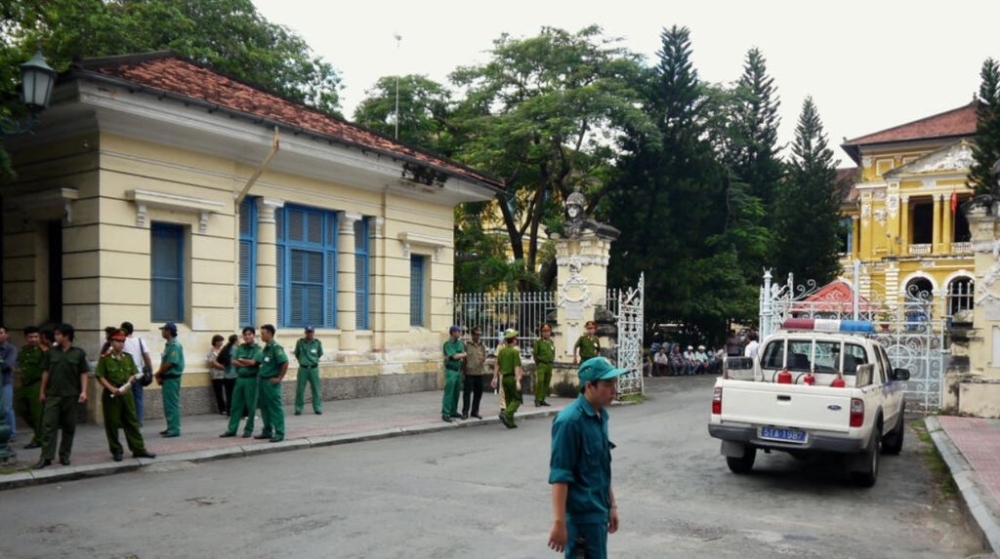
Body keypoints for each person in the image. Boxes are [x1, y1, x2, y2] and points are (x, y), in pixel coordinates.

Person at [547, 357, 625, 558]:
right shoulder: (570, 422)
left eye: (614, 384)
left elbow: (600, 467)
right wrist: (559, 523)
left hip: (598, 515)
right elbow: (560, 475)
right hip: (581, 521)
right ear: (589, 386)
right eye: (607, 385)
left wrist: (611, 505)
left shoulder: (600, 416)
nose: (613, 391)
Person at [34, 323, 89, 469]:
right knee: (48, 426)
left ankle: (64, 456)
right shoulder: (51, 353)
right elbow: (45, 372)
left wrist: (84, 391)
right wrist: (42, 391)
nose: (56, 336)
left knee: (69, 427)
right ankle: (46, 457)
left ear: (67, 336)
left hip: (71, 396)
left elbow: (83, 373)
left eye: (58, 334)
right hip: (53, 395)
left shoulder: (78, 353)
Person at [95, 330, 156, 462]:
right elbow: (100, 376)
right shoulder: (105, 358)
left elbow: (133, 374)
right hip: (111, 394)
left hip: (127, 393)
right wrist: (112, 388)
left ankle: (138, 449)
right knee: (112, 424)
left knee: (132, 422)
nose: (120, 344)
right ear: (111, 342)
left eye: (123, 341)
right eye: (118, 341)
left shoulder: (128, 357)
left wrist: (128, 384)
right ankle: (116, 450)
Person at [220, 327, 262, 438]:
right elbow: (233, 361)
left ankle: (248, 429)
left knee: (250, 406)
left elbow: (254, 362)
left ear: (253, 335)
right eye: (245, 334)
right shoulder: (240, 348)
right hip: (240, 379)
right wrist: (246, 363)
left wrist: (242, 361)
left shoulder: (258, 349)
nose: (247, 336)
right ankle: (232, 429)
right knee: (235, 405)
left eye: (249, 334)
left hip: (251, 379)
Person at [254, 324, 288, 443]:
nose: (261, 335)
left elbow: (284, 362)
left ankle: (279, 433)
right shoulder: (266, 348)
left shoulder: (276, 347)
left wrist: (279, 378)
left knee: (275, 407)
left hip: (271, 382)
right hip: (263, 381)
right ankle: (267, 430)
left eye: (263, 333)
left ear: (269, 333)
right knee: (264, 408)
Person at [14, 326, 45, 449]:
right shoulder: (24, 351)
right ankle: (40, 433)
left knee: (37, 413)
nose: (33, 339)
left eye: (36, 337)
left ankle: (39, 438)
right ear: (26, 338)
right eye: (30, 337)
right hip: (25, 384)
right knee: (20, 407)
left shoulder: (43, 352)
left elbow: (46, 371)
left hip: (37, 384)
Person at [154, 322, 184, 438]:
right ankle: (171, 427)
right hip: (168, 378)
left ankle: (174, 429)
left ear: (169, 331)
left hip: (172, 378)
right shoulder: (169, 345)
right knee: (168, 404)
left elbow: (171, 362)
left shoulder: (174, 345)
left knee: (172, 404)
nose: (162, 332)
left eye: (164, 330)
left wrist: (158, 373)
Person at [120, 322, 153, 426]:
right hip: (138, 373)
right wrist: (151, 370)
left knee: (124, 398)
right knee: (138, 397)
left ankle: (125, 420)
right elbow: (147, 356)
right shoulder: (140, 341)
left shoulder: (121, 342)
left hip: (125, 374)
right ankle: (139, 420)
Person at [491, 329, 523, 429]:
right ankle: (505, 413)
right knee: (517, 400)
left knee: (509, 400)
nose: (516, 340)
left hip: (503, 378)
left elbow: (497, 364)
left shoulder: (502, 351)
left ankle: (510, 422)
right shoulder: (514, 352)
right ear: (513, 340)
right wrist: (518, 380)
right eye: (515, 339)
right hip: (511, 378)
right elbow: (516, 366)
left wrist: (495, 377)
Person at [293, 325, 324, 415]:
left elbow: (319, 354)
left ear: (313, 333)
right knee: (300, 389)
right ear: (305, 333)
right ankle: (298, 408)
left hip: (314, 368)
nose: (309, 334)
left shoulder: (317, 343)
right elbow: (297, 354)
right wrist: (303, 361)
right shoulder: (300, 342)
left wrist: (312, 361)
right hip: (303, 368)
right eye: (307, 332)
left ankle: (317, 407)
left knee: (316, 389)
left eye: (311, 332)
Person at [441, 325, 466, 423]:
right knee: (449, 393)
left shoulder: (460, 343)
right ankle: (445, 413)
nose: (460, 333)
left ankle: (453, 411)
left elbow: (460, 355)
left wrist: (460, 355)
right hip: (450, 370)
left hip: (458, 370)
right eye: (458, 331)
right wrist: (462, 355)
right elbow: (454, 356)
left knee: (456, 392)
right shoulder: (448, 344)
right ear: (453, 333)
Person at [461, 327, 487, 420]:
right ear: (472, 335)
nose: (478, 336)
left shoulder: (482, 345)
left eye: (479, 334)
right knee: (467, 394)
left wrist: (484, 359)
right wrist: (463, 372)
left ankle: (475, 411)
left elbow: (484, 356)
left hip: (479, 372)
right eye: (476, 334)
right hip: (469, 372)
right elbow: (463, 360)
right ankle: (465, 412)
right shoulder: (467, 345)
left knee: (478, 393)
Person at [0, 325, 18, 443]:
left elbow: (8, 364)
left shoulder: (11, 349)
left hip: (5, 381)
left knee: (6, 408)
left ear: (6, 335)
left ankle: (11, 433)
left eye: (1, 333)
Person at [534, 324, 555, 407]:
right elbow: (535, 355)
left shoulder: (551, 342)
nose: (546, 333)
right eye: (544, 331)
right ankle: (537, 399)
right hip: (541, 364)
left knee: (547, 382)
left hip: (549, 364)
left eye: (548, 331)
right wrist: (538, 364)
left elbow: (553, 352)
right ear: (541, 332)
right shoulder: (538, 342)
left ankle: (543, 399)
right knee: (540, 381)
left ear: (550, 332)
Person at [207, 334, 228, 415]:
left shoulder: (223, 351)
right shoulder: (211, 352)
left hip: (225, 375)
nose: (220, 343)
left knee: (227, 392)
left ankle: (228, 406)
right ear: (215, 342)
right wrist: (223, 367)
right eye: (219, 341)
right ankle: (222, 409)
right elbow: (213, 363)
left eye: (221, 341)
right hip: (216, 375)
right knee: (219, 393)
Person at [219, 334, 239, 415]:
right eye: (238, 340)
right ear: (235, 341)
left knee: (228, 395)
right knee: (237, 395)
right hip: (234, 375)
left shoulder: (225, 348)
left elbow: (219, 360)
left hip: (226, 375)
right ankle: (236, 411)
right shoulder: (235, 349)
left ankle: (229, 412)